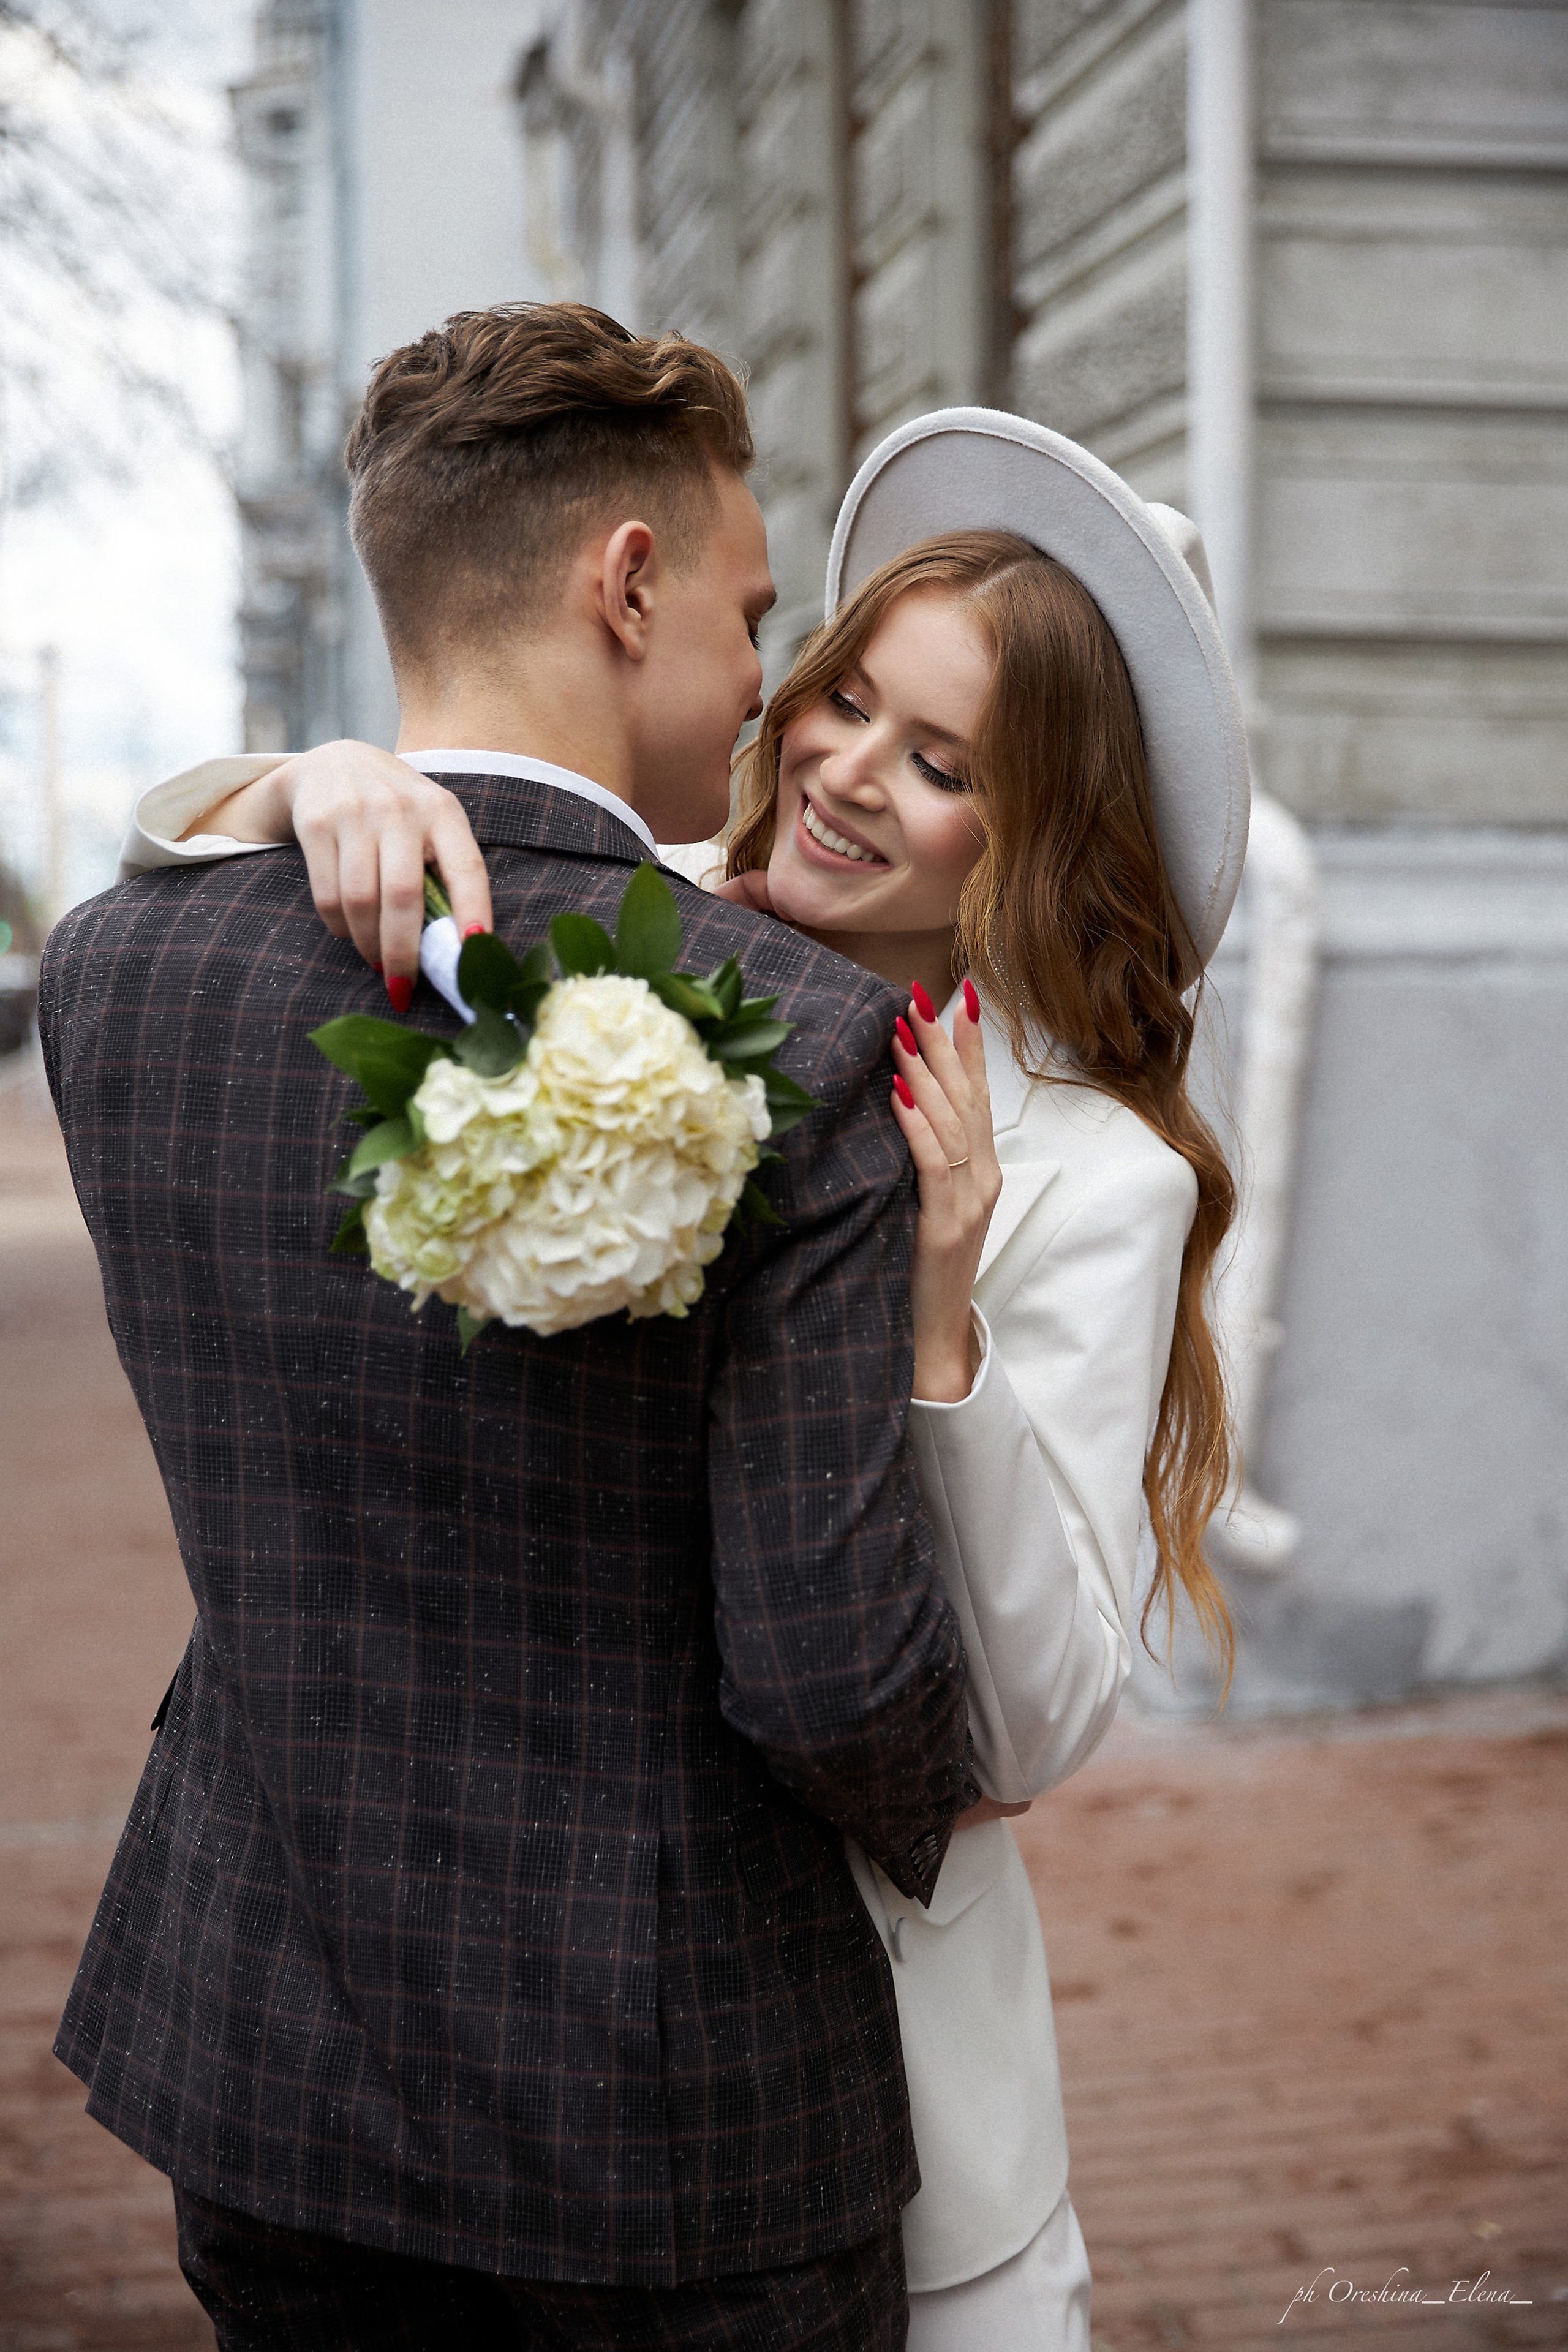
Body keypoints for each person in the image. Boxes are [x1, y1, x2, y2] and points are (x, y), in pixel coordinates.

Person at [127, 405, 1250, 2346]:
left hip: (878, 2049)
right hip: (543, 2045)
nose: (839, 774)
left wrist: (939, 1323)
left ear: (1044, 831)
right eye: (839, 701)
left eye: (943, 761)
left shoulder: (1098, 1176)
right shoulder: (651, 935)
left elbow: (1023, 1734)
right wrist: (323, 780)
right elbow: (204, 842)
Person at [40, 304, 989, 2352]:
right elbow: (830, 1670)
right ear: (626, 583)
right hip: (670, 2120)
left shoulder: (110, 986)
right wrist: (956, 1800)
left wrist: (288, 782)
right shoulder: (818, 1047)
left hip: (267, 2055)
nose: (766, 688)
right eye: (751, 616)